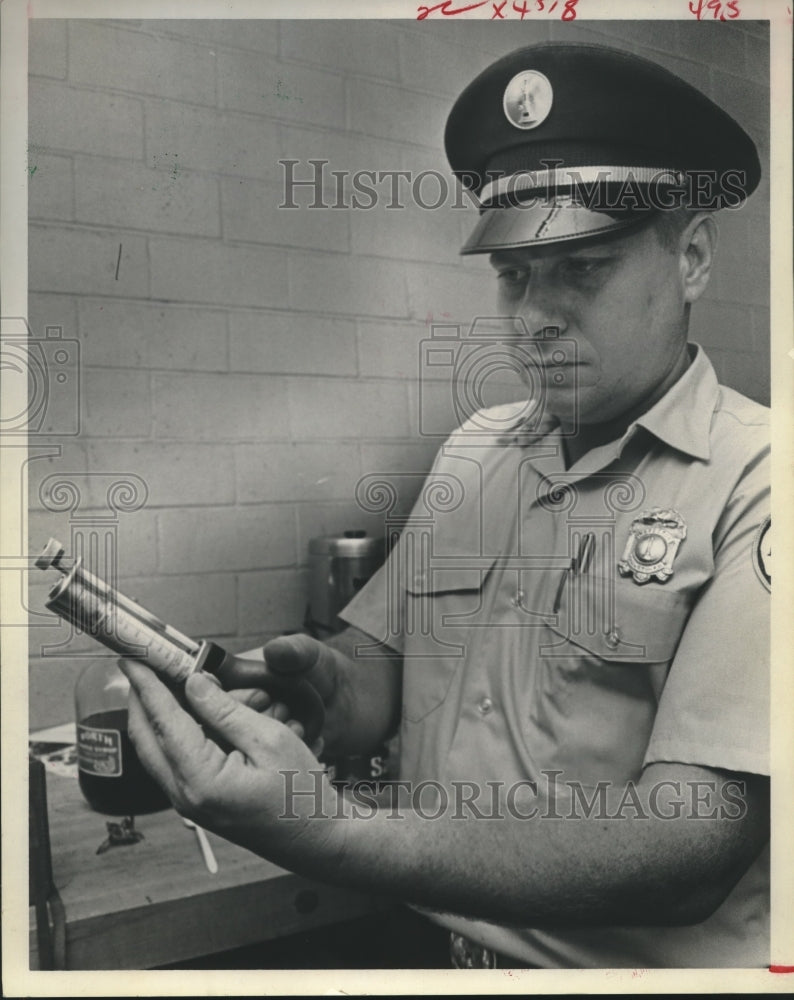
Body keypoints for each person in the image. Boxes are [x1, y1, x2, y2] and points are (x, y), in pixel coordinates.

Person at [121, 43, 770, 969]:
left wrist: (334, 829)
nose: (534, 315)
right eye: (514, 274)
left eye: (582, 268)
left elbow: (691, 849)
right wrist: (324, 687)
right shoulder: (477, 452)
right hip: (433, 957)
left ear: (693, 256)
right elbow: (379, 673)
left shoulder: (758, 481)